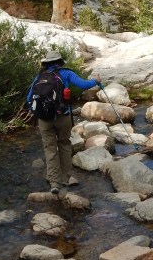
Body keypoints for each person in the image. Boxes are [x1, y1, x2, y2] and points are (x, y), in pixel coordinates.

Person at [26, 50, 101, 193]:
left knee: (50, 149)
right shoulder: (67, 73)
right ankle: (66, 178)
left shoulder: (40, 76)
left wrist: (37, 111)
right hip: (63, 116)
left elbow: (29, 98)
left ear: (46, 63)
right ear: (60, 62)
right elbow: (83, 84)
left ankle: (54, 183)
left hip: (44, 119)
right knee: (65, 145)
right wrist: (96, 81)